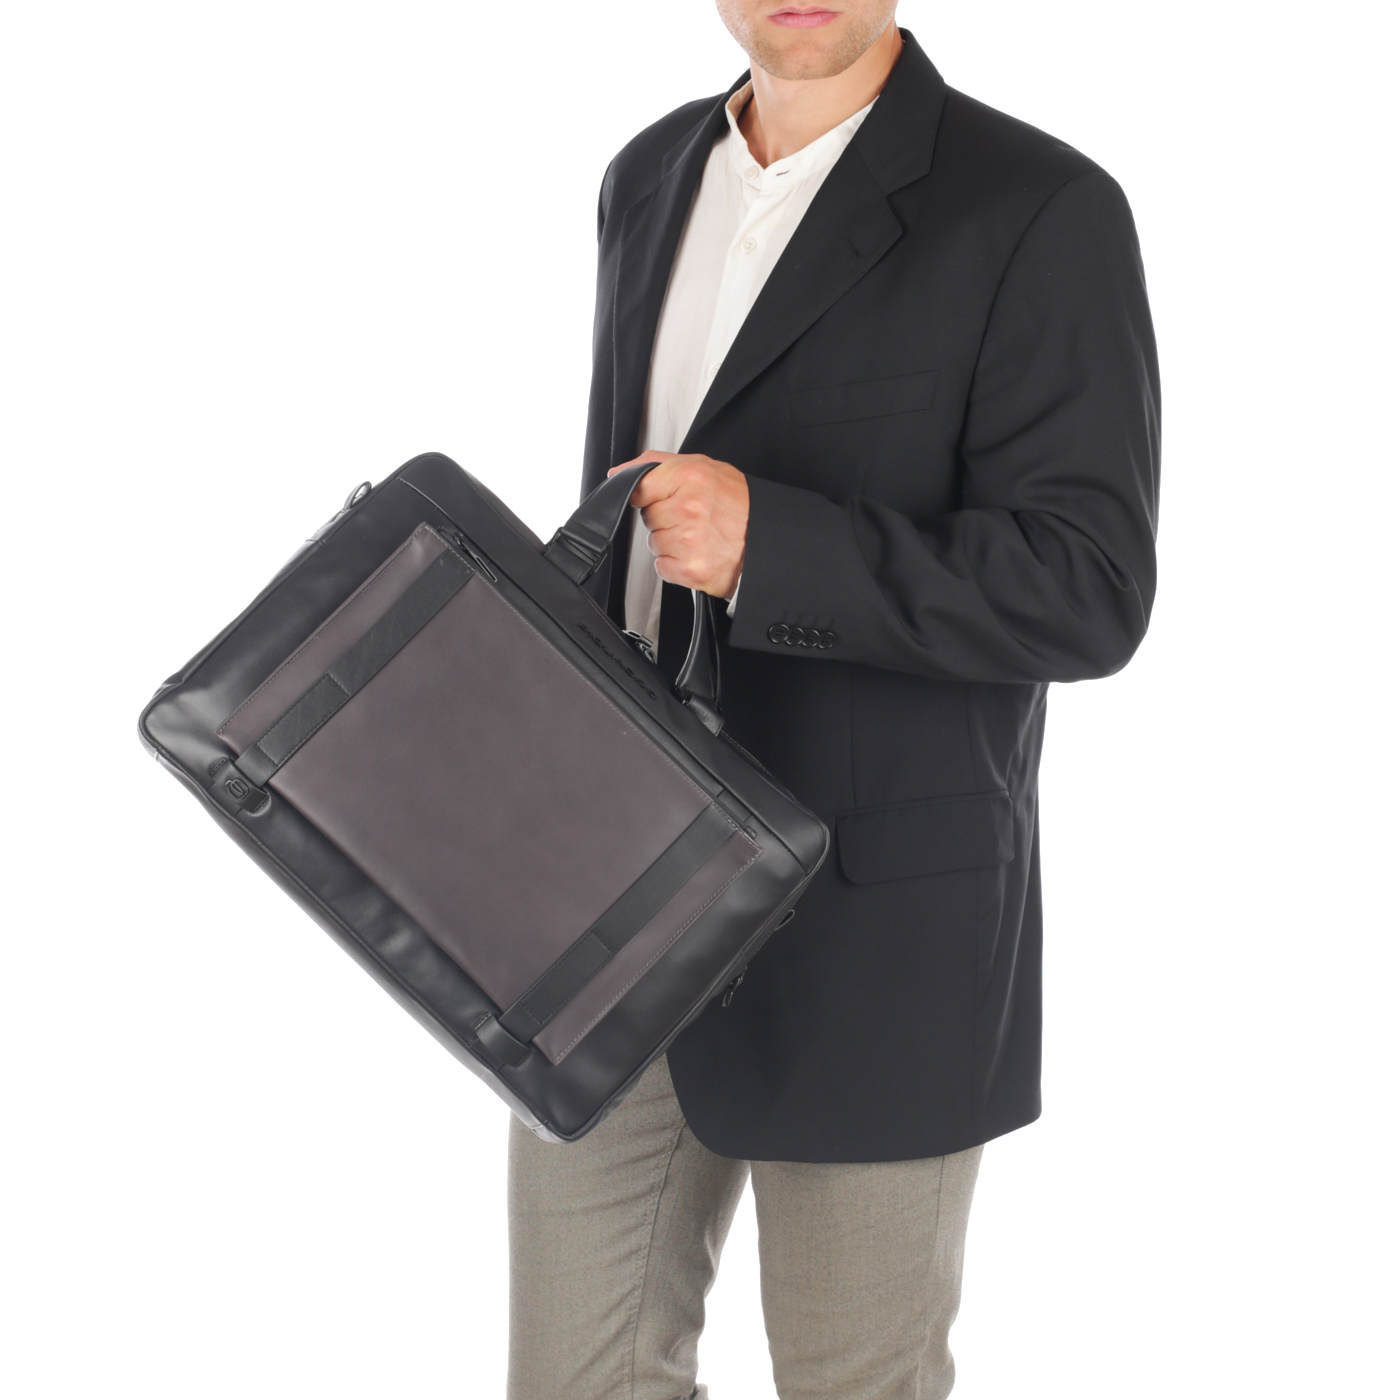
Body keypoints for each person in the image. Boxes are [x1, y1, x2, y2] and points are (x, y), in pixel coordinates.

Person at [508, 3, 1160, 1396]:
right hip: (616, 895)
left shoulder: (1039, 207)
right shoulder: (647, 175)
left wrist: (774, 549)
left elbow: (1088, 587)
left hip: (876, 920)